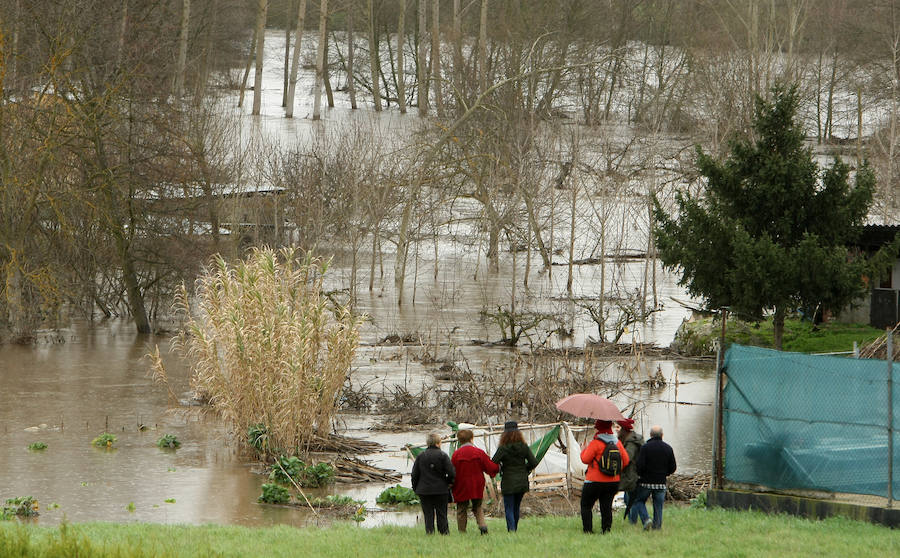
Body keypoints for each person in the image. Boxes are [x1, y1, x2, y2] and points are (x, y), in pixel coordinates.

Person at [580, 419, 630, 534]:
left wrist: (583, 450)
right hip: (613, 482)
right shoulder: (617, 443)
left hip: (594, 481)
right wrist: (615, 471)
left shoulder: (595, 443)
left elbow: (585, 459)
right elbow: (626, 461)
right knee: (606, 506)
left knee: (586, 505)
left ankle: (588, 530)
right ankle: (606, 530)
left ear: (599, 428)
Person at [491, 421, 538, 532]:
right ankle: (514, 529)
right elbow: (534, 462)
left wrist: (501, 467)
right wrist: (525, 469)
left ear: (504, 434)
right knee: (516, 507)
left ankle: (511, 531)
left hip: (508, 481)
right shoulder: (523, 447)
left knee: (509, 507)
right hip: (522, 481)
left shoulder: (503, 449)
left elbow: (493, 462)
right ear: (518, 433)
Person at [451, 429, 500, 534]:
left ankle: (462, 531)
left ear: (459, 440)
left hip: (461, 485)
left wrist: (450, 484)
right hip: (476, 484)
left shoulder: (456, 454)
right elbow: (490, 467)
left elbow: (452, 471)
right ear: (471, 439)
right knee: (477, 506)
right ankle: (482, 526)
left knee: (461, 509)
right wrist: (497, 467)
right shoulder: (479, 452)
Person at [632, 424, 677, 530]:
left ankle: (646, 519)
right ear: (662, 435)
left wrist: (641, 474)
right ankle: (657, 527)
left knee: (639, 501)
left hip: (645, 482)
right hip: (661, 482)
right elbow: (673, 467)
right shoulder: (668, 448)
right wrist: (665, 473)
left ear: (650, 435)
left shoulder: (645, 447)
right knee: (658, 505)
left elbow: (640, 465)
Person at [411, 431, 456, 535]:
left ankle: (430, 533)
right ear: (438, 443)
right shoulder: (443, 455)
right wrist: (449, 483)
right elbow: (451, 472)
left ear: (428, 443)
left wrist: (416, 488)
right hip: (441, 489)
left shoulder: (421, 456)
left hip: (424, 490)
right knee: (442, 514)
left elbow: (414, 474)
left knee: (428, 514)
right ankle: (444, 533)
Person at [616, 417, 644, 524]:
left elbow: (626, 459)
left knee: (631, 499)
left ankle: (634, 521)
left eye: (618, 428)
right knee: (630, 499)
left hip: (632, 475)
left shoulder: (631, 443)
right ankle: (633, 520)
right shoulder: (631, 440)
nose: (617, 431)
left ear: (624, 430)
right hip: (633, 474)